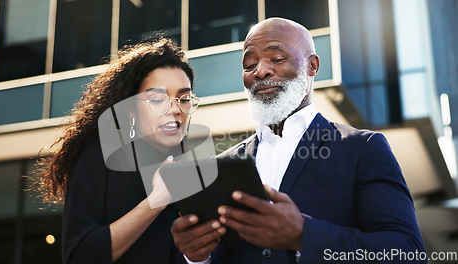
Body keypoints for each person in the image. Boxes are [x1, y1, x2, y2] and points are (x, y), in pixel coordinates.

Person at [170, 18, 426, 263]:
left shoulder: (362, 148)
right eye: (249, 65)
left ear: (312, 66)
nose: (260, 71)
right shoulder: (220, 166)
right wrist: (198, 256)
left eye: (277, 58)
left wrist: (303, 236)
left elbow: (406, 252)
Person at [36, 38, 200, 264]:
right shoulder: (99, 156)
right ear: (130, 109)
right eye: (157, 99)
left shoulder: (187, 169)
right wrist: (156, 201)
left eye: (184, 98)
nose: (175, 109)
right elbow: (79, 257)